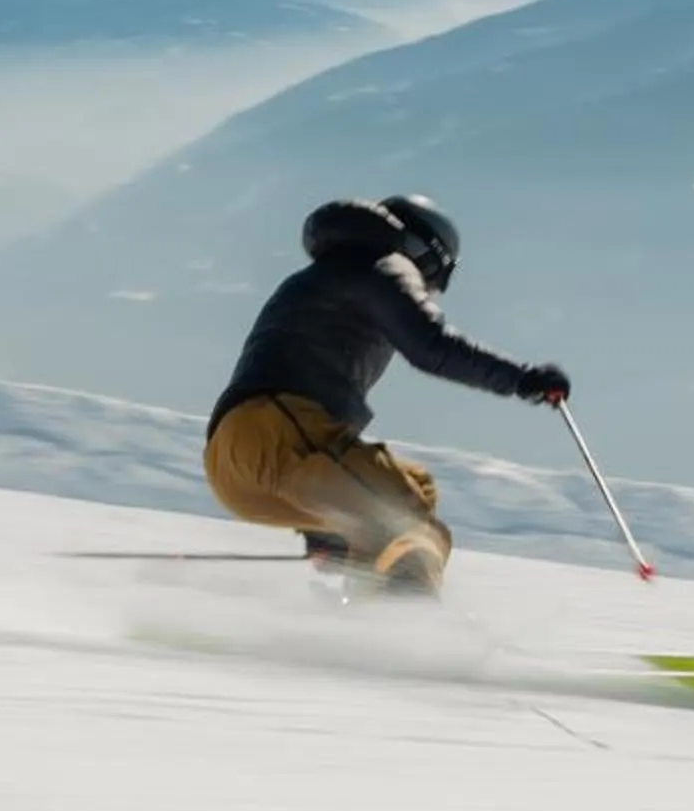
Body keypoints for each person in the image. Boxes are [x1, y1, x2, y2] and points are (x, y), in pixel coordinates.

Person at [204, 195, 570, 594]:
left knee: (417, 487)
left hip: (238, 462)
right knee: (407, 520)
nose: (431, 289)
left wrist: (334, 523)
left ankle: (364, 619)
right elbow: (433, 347)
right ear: (427, 253)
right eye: (438, 275)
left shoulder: (326, 275)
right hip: (277, 433)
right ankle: (408, 622)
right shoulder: (383, 265)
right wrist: (523, 379)